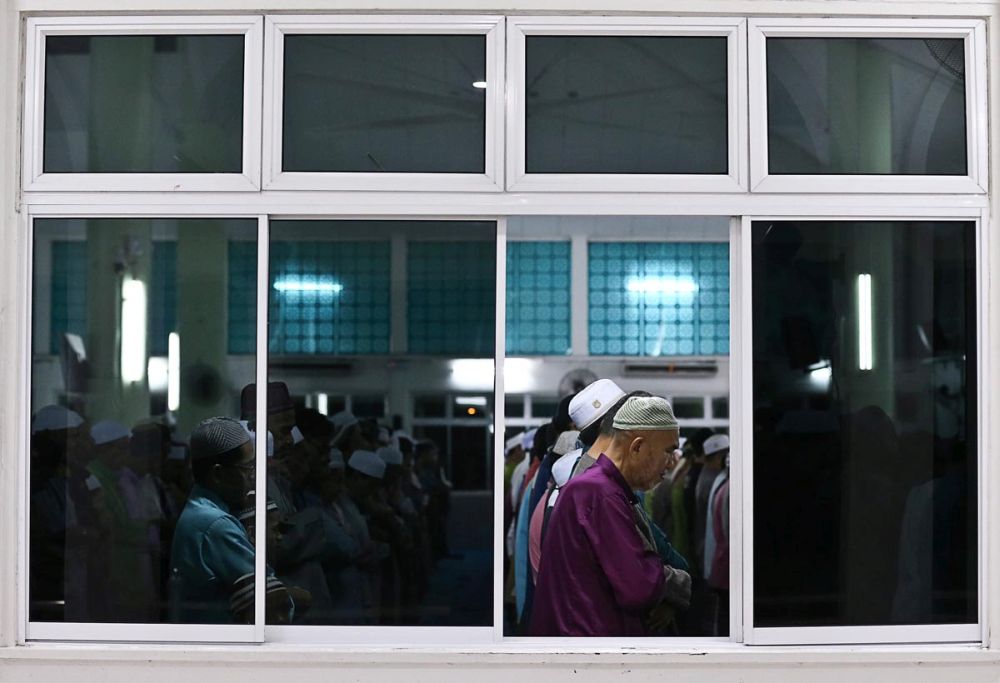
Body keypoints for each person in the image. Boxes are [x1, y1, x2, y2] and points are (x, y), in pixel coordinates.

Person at [531, 396, 690, 636]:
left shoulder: (599, 488)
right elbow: (638, 585)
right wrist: (679, 580)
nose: (671, 464)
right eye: (668, 451)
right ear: (636, 446)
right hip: (589, 651)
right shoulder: (600, 494)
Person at [169, 416, 262, 623]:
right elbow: (270, 598)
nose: (254, 477)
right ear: (219, 474)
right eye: (248, 469)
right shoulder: (214, 524)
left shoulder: (204, 509)